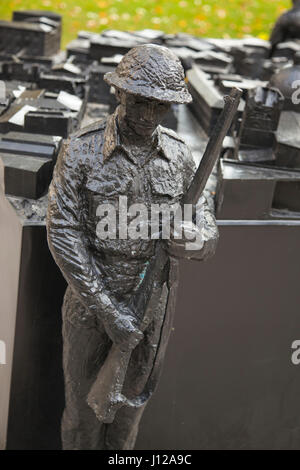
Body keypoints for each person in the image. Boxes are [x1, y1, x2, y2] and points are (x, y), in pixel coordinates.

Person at [46, 44, 218, 450]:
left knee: (128, 418)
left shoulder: (177, 154)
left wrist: (196, 239)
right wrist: (108, 310)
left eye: (159, 106)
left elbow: (205, 218)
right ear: (119, 93)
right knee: (82, 416)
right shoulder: (81, 150)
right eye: (139, 102)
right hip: (91, 305)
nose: (146, 116)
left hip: (151, 308)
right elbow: (63, 232)